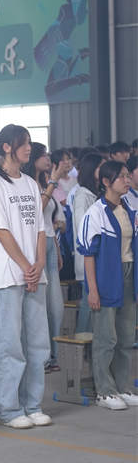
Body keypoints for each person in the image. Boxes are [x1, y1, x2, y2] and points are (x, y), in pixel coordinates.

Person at [0, 125, 52, 429]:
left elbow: (40, 229)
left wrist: (38, 264)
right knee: (9, 345)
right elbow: (1, 230)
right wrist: (26, 266)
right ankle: (8, 409)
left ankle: (32, 404)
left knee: (37, 344)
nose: (29, 148)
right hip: (6, 276)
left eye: (30, 143)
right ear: (7, 147)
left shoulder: (31, 184)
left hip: (33, 274)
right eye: (24, 143)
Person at [78, 161, 138, 409]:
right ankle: (104, 391)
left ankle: (123, 386)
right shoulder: (95, 213)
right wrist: (93, 290)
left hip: (129, 274)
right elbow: (88, 254)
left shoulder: (129, 208)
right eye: (121, 177)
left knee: (126, 336)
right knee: (106, 338)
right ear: (106, 182)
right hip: (106, 278)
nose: (127, 180)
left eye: (127, 176)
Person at [22, 144, 67, 372]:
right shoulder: (27, 184)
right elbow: (37, 210)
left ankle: (54, 355)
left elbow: (48, 221)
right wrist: (53, 183)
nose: (48, 159)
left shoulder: (43, 182)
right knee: (40, 306)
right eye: (43, 155)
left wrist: (56, 249)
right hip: (34, 248)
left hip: (50, 244)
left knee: (56, 307)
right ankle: (41, 358)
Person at [71, 153, 104, 333]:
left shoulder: (96, 193)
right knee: (88, 303)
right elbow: (82, 227)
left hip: (97, 258)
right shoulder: (82, 195)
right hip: (87, 257)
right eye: (100, 167)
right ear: (92, 170)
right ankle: (81, 341)